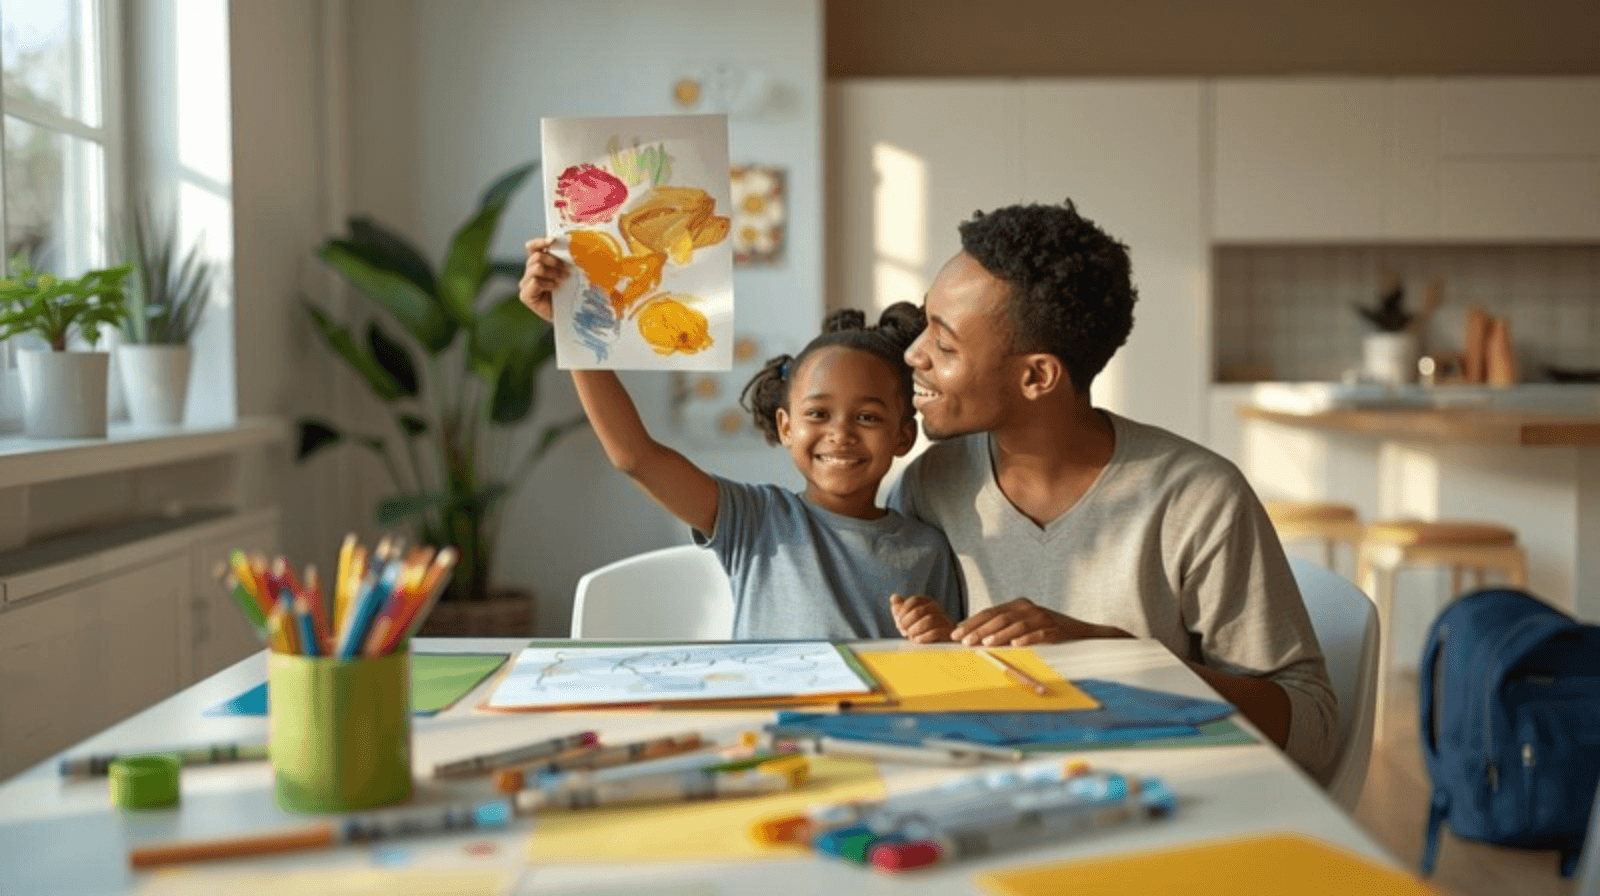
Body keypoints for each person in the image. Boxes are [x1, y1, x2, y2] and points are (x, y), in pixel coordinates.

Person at [884, 201, 1337, 778]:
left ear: (1037, 377)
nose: (912, 354)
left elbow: (1316, 727)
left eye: (944, 346)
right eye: (925, 325)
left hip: (1159, 800)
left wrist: (1120, 657)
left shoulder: (1196, 498)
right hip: (992, 785)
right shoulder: (931, 483)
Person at [520, 237, 964, 640]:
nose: (840, 433)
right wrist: (574, 329)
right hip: (769, 725)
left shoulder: (929, 550)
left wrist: (941, 638)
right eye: (818, 414)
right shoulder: (756, 520)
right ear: (787, 427)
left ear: (904, 435)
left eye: (867, 416)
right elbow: (635, 456)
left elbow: (951, 664)